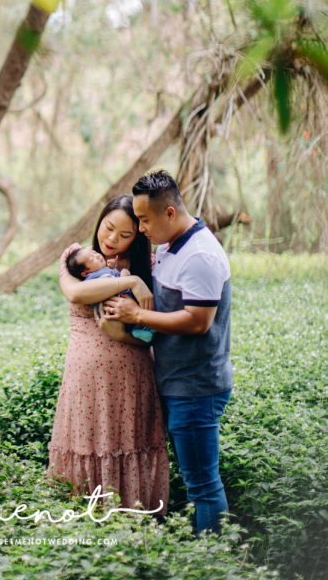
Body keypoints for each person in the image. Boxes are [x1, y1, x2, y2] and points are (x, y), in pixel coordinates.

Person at [103, 170, 233, 535]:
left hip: (196, 386)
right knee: (195, 480)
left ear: (170, 213)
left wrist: (137, 315)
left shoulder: (201, 256)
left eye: (144, 219)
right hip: (176, 381)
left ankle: (212, 561)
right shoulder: (169, 245)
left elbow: (198, 322)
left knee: (204, 485)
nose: (141, 227)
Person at [48, 194, 170, 513]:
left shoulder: (153, 265)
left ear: (137, 237)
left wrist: (122, 334)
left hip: (133, 376)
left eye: (125, 235)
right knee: (88, 444)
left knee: (131, 445)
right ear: (100, 220)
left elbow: (154, 335)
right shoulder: (76, 256)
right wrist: (130, 282)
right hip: (86, 378)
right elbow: (75, 291)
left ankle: (135, 523)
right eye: (108, 228)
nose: (112, 239)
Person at [66, 246, 155, 343]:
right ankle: (138, 331)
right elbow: (110, 285)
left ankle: (142, 329)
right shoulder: (93, 279)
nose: (97, 255)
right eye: (92, 258)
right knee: (126, 317)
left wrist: (112, 268)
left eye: (94, 253)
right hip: (114, 310)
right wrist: (124, 277)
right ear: (86, 273)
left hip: (123, 304)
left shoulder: (103, 271)